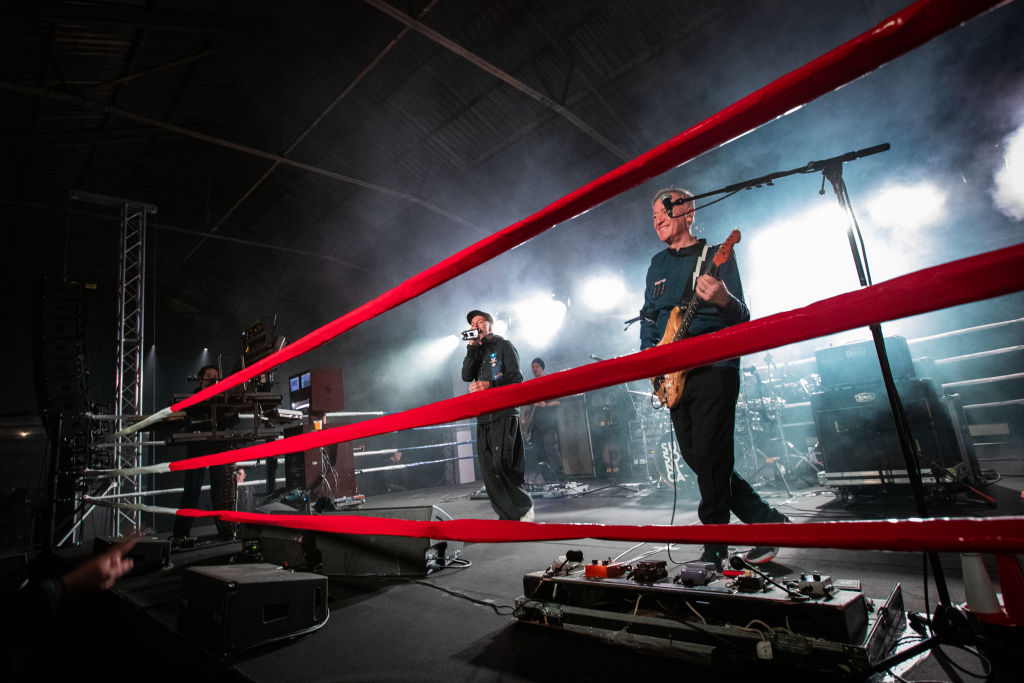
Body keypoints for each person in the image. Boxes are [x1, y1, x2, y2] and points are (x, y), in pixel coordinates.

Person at [639, 188, 787, 568]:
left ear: (689, 212)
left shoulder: (716, 255)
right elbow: (649, 319)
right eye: (653, 214)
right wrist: (648, 361)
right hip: (674, 374)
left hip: (714, 367)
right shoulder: (656, 265)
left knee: (710, 455)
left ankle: (715, 545)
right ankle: (768, 523)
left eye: (665, 210)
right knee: (699, 457)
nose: (657, 218)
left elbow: (743, 315)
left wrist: (722, 298)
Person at [461, 310, 534, 521]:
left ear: (490, 325)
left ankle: (524, 507)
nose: (475, 326)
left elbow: (516, 377)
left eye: (479, 321)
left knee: (502, 464)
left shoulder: (504, 345)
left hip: (504, 412)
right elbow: (466, 375)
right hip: (484, 415)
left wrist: (490, 384)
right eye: (472, 324)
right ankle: (507, 516)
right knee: (488, 470)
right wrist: (471, 348)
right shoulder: (476, 351)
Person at [173, 364, 239, 544]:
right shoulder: (192, 398)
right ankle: (180, 534)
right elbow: (184, 419)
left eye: (215, 376)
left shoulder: (223, 397)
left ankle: (225, 533)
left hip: (218, 446)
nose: (213, 379)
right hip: (198, 448)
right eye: (209, 375)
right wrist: (193, 429)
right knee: (191, 491)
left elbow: (234, 419)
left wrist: (229, 414)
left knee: (221, 492)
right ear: (201, 378)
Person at [522, 357, 564, 483]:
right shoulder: (533, 385)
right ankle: (549, 480)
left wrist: (545, 405)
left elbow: (558, 401)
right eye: (533, 367)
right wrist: (524, 414)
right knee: (540, 454)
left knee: (551, 451)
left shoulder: (549, 381)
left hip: (548, 424)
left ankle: (562, 479)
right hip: (535, 426)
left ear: (542, 368)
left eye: (537, 366)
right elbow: (530, 404)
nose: (534, 369)